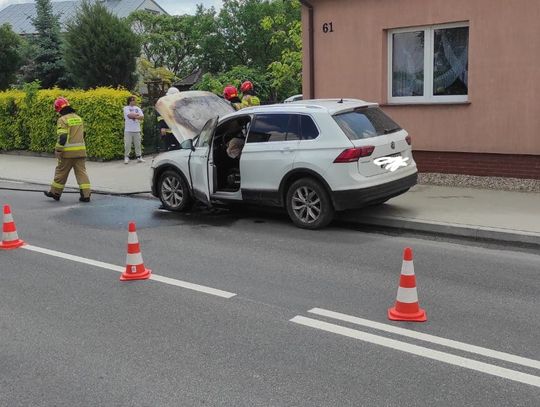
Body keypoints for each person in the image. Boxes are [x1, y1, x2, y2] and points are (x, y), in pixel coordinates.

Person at [44, 97, 91, 202]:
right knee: (81, 172)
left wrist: (58, 150)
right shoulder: (78, 118)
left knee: (61, 172)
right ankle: (86, 195)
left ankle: (55, 193)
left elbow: (63, 137)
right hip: (81, 151)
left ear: (59, 109)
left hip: (67, 153)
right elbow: (83, 134)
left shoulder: (62, 119)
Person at [157, 87, 180, 151]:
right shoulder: (163, 104)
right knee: (168, 149)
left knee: (178, 148)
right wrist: (162, 127)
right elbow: (160, 117)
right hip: (167, 130)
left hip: (176, 130)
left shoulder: (176, 103)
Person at [123, 95, 144, 164]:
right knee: (128, 144)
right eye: (133, 100)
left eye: (135, 100)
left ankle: (139, 157)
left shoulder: (138, 108)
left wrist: (134, 116)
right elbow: (129, 116)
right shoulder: (126, 108)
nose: (135, 101)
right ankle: (126, 157)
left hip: (137, 129)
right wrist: (137, 115)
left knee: (138, 144)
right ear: (130, 101)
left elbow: (142, 117)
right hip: (128, 130)